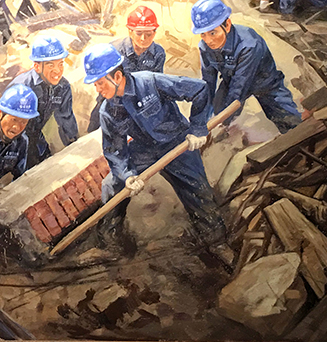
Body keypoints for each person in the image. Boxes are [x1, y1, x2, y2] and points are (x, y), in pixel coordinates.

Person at [84, 42, 226, 251]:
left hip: (176, 142)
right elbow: (115, 149)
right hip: (144, 149)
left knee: (198, 192)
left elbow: (199, 90)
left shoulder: (149, 82)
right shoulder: (108, 110)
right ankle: (111, 242)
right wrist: (127, 175)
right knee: (111, 185)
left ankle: (215, 241)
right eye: (95, 85)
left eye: (100, 83)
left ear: (117, 76)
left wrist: (197, 128)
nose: (97, 89)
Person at [191, 0, 301, 133]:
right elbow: (208, 82)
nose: (208, 40)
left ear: (227, 25)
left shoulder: (249, 44)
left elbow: (238, 88)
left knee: (288, 120)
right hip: (231, 80)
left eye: (212, 33)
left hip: (264, 83)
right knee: (218, 111)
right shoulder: (205, 47)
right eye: (203, 34)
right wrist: (202, 120)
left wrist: (222, 120)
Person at [87, 6, 166, 132]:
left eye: (148, 34)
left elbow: (156, 85)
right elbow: (104, 85)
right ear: (130, 31)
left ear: (155, 32)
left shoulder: (158, 53)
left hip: (139, 103)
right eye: (139, 33)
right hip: (112, 101)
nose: (143, 38)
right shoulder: (115, 50)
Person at [9, 33, 80, 169]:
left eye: (60, 64)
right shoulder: (22, 87)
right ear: (37, 66)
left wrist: (75, 145)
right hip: (15, 142)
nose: (57, 71)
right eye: (50, 65)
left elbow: (66, 119)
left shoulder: (63, 87)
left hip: (37, 140)